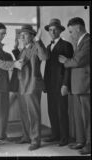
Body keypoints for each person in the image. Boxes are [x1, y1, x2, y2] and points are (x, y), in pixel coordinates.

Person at [12, 24, 48, 150]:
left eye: (25, 33)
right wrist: (15, 49)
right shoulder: (24, 49)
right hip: (22, 85)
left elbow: (44, 57)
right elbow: (21, 62)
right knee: (24, 112)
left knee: (33, 113)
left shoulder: (36, 46)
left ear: (32, 36)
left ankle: (35, 140)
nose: (21, 35)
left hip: (33, 84)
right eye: (21, 34)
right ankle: (26, 136)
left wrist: (38, 41)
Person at [59, 17, 90, 155]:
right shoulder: (80, 42)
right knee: (79, 116)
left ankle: (89, 145)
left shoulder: (88, 41)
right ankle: (81, 141)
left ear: (78, 28)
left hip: (85, 86)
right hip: (78, 86)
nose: (70, 34)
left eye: (71, 31)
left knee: (88, 117)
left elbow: (78, 61)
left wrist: (66, 61)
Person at [43, 18, 74, 146]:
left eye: (55, 29)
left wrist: (65, 84)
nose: (52, 31)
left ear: (60, 31)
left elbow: (68, 66)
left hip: (61, 84)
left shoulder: (66, 45)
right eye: (50, 30)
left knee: (62, 111)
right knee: (52, 110)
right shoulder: (48, 47)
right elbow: (47, 68)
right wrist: (45, 84)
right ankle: (55, 135)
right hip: (50, 84)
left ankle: (64, 137)